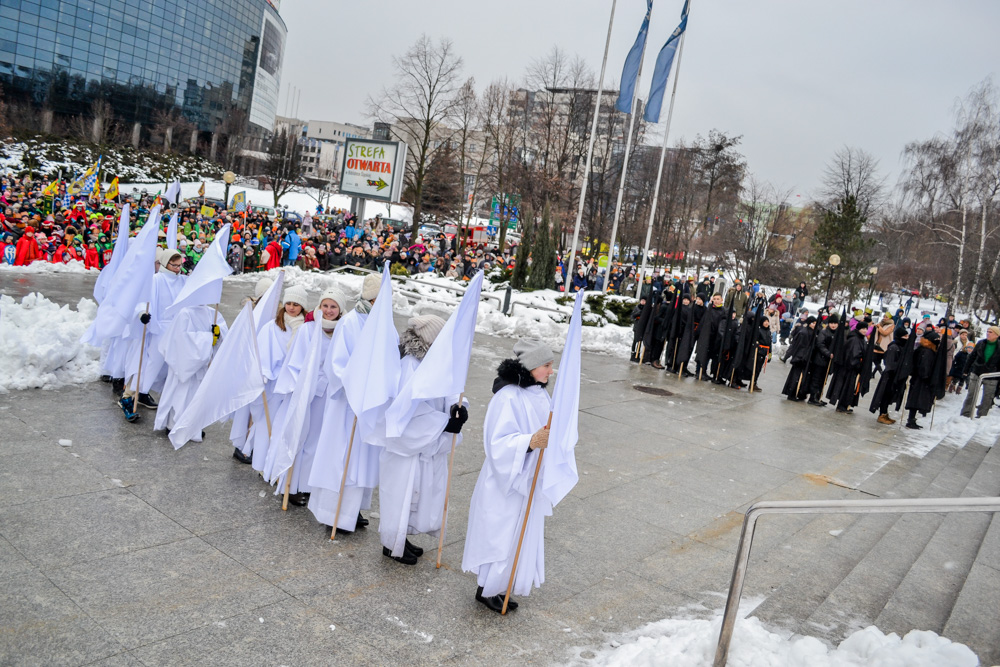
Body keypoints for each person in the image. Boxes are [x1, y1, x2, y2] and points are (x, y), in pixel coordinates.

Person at [462, 339, 563, 613]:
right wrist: (531, 441)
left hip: (527, 477)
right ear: (530, 367)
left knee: (514, 534)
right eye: (546, 365)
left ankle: (499, 586)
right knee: (499, 535)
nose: (551, 371)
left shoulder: (539, 393)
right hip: (504, 481)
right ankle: (486, 589)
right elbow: (497, 442)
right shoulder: (508, 397)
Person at [371, 315, 467, 565]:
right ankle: (391, 544)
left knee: (413, 494)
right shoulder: (410, 365)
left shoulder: (432, 362)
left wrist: (457, 408)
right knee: (400, 494)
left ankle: (401, 538)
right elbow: (406, 411)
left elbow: (448, 389)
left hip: (421, 443)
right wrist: (444, 423)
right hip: (404, 445)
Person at [306, 274, 382, 533]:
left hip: (369, 404)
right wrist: (355, 386)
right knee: (341, 458)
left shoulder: (384, 324)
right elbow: (335, 364)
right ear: (372, 298)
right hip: (348, 405)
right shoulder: (350, 323)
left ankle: (352, 510)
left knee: (361, 460)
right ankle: (332, 512)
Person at [247, 285, 310, 473]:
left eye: (296, 304)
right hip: (273, 383)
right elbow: (264, 352)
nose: (291, 307)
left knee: (283, 427)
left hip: (292, 384)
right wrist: (264, 374)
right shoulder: (273, 327)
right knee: (267, 425)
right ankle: (261, 464)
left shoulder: (304, 328)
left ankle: (276, 465)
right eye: (288, 303)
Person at [119, 248, 186, 419]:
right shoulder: (156, 280)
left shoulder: (183, 281)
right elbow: (143, 300)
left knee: (171, 367)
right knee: (149, 364)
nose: (178, 268)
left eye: (180, 265)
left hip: (176, 329)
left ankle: (152, 396)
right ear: (165, 263)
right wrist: (142, 314)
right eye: (174, 265)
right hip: (157, 329)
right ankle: (128, 397)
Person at [154, 305, 227, 438]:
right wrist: (209, 338)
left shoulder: (211, 313)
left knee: (195, 396)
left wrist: (218, 332)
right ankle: (173, 425)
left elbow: (223, 332)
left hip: (200, 365)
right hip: (183, 364)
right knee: (180, 394)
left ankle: (192, 426)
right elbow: (182, 340)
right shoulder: (184, 313)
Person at [870, 327, 909, 424]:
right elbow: (890, 363)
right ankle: (882, 414)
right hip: (889, 376)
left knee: (889, 395)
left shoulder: (901, 347)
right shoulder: (894, 347)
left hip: (895, 376)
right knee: (885, 395)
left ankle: (885, 413)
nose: (907, 338)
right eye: (905, 336)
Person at [960, 326, 1000, 418]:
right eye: (987, 331)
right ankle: (965, 413)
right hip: (977, 372)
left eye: (991, 332)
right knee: (971, 394)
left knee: (987, 397)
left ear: (997, 335)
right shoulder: (981, 343)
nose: (988, 333)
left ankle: (982, 415)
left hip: (992, 375)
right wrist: (966, 370)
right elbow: (972, 357)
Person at [781, 316, 816, 401]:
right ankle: (791, 393)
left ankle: (799, 393)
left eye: (815, 323)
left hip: (806, 358)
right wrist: (798, 356)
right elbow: (797, 345)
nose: (814, 325)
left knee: (802, 377)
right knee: (795, 376)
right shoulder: (803, 332)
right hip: (800, 358)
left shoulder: (813, 333)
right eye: (813, 323)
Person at [807, 313, 838, 406]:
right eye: (831, 323)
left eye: (835, 323)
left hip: (828, 362)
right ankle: (812, 397)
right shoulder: (824, 332)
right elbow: (820, 344)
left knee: (823, 380)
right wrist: (828, 354)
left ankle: (818, 396)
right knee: (816, 379)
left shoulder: (837, 334)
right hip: (820, 360)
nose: (833, 325)